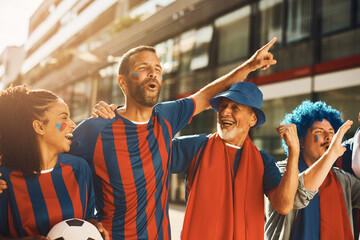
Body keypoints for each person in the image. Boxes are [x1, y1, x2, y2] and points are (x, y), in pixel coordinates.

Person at [68, 39, 277, 239]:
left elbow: (205, 95)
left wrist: (251, 65)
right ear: (122, 82)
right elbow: (53, 167)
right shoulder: (95, 129)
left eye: (158, 69)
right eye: (143, 68)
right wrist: (89, 218)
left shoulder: (166, 117)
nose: (153, 73)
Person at [169, 81, 300, 239]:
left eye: (235, 107)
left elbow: (284, 205)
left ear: (252, 119)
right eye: (223, 106)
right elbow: (149, 154)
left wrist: (294, 152)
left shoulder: (263, 161)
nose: (224, 112)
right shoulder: (196, 147)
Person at [0, 85, 109, 240]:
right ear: (39, 126)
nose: (72, 124)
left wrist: (94, 226)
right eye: (64, 118)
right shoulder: (4, 180)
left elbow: (89, 215)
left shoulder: (79, 168)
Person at [265, 100, 358, 240]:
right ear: (300, 139)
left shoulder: (343, 179)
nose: (328, 137)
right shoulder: (279, 170)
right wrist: (330, 155)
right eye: (319, 132)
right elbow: (294, 198)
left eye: (332, 132)